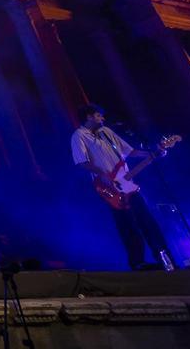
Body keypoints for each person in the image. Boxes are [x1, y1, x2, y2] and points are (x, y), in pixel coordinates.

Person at [71, 103, 175, 270]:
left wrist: (153, 153)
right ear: (89, 117)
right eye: (98, 115)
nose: (102, 118)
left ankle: (166, 260)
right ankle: (138, 263)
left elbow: (130, 151)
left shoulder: (106, 132)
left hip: (128, 183)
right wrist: (103, 175)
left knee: (148, 221)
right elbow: (82, 162)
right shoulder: (79, 136)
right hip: (109, 187)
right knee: (128, 226)